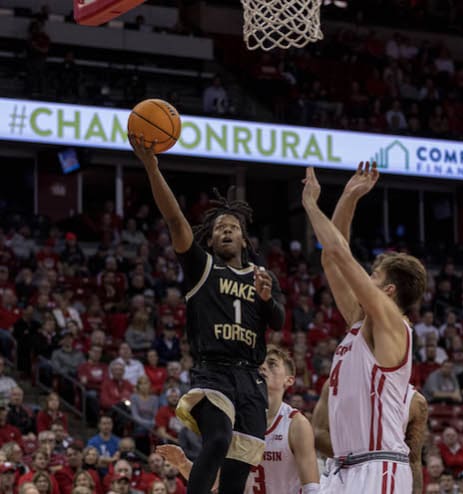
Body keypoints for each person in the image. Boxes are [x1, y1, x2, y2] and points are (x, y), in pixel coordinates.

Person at [129, 135, 285, 494]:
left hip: (251, 380)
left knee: (234, 478)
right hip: (213, 371)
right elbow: (174, 218)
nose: (226, 230)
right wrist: (153, 167)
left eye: (232, 227)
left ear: (245, 239)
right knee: (217, 439)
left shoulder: (263, 278)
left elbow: (277, 322)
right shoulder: (202, 267)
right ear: (211, 241)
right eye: (218, 229)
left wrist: (265, 300)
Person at [302, 164, 427, 493]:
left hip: (378, 466)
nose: (366, 281)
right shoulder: (361, 323)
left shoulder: (392, 324)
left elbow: (341, 256)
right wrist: (348, 197)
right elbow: (331, 259)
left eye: (374, 277)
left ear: (388, 292)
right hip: (344, 467)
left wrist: (312, 206)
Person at [158, 345, 320, 493]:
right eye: (260, 364)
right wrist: (182, 464)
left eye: (272, 364)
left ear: (289, 380)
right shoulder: (236, 420)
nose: (263, 367)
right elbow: (215, 482)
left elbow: (311, 488)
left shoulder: (296, 424)